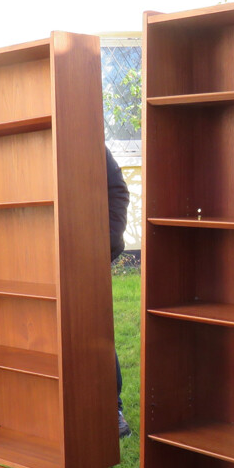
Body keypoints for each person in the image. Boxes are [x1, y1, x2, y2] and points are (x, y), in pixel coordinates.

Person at [106, 147, 132, 438]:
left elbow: (117, 191)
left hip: (86, 255)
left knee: (95, 334)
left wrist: (106, 242)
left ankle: (112, 409)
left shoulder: (86, 140)